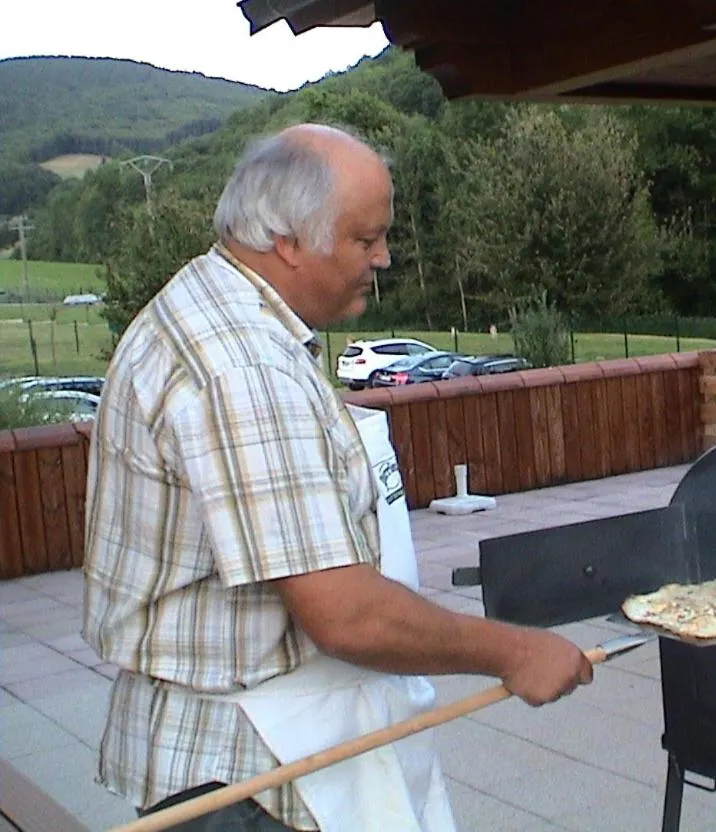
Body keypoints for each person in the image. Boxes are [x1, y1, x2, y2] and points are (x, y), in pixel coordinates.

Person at [81, 123, 593, 832]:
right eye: (364, 239)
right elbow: (344, 612)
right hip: (247, 774)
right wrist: (518, 650)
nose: (382, 258)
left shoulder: (214, 307)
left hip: (241, 751)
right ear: (287, 239)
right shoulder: (241, 366)